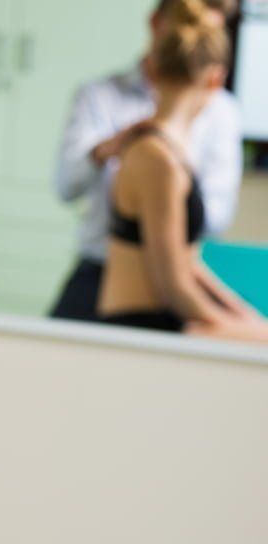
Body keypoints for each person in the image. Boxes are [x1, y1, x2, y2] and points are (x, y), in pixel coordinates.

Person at [51, 0, 242, 322]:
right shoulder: (105, 102)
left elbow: (210, 226)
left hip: (174, 281)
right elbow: (65, 185)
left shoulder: (220, 115)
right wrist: (104, 150)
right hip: (103, 276)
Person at [98, 0, 268, 342]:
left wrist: (247, 318)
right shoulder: (158, 161)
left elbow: (188, 263)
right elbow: (172, 285)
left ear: (154, 68)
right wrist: (244, 331)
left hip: (161, 316)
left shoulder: (169, 153)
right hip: (141, 325)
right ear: (216, 79)